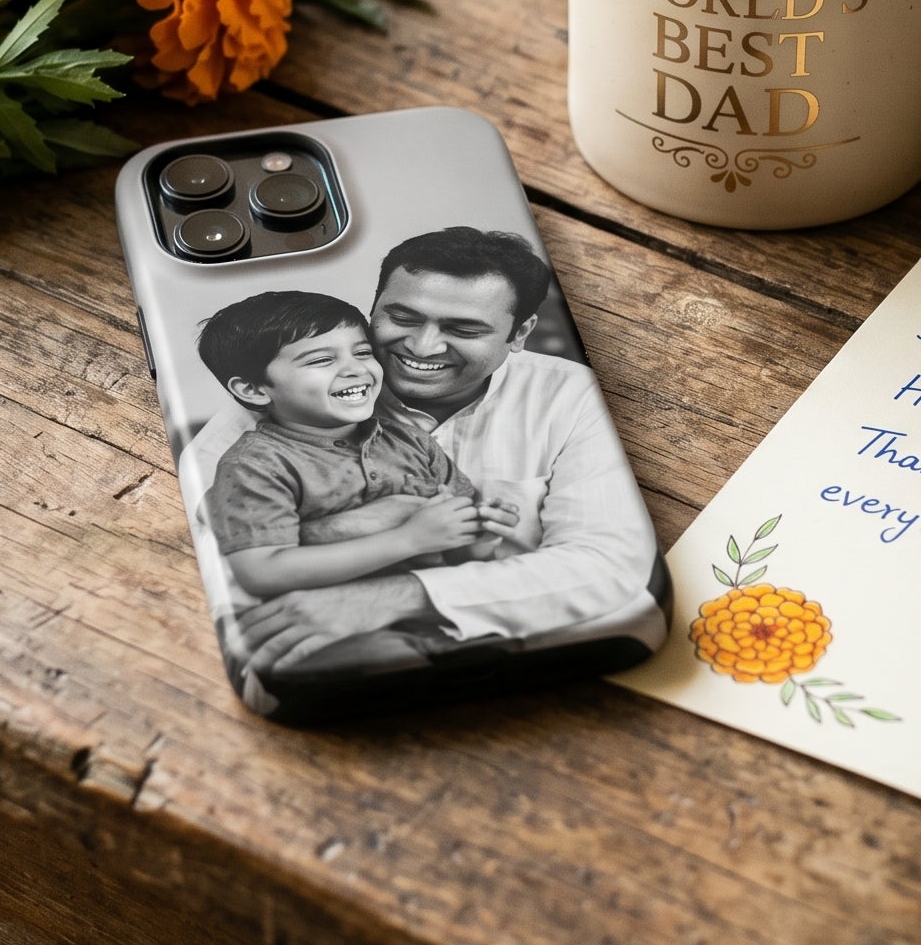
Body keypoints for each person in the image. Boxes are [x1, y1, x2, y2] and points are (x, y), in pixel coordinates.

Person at [186, 229, 666, 684]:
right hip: (323, 650)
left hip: (540, 651)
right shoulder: (284, 396)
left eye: (464, 328)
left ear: (519, 334)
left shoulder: (568, 395)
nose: (421, 347)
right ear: (373, 309)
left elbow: (608, 566)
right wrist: (380, 528)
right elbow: (209, 546)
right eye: (403, 318)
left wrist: (401, 588)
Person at [193, 290, 517, 603]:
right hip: (327, 621)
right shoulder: (255, 464)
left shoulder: (412, 442)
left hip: (437, 604)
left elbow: (460, 549)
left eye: (362, 353)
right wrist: (408, 539)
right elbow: (261, 572)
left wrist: (482, 531)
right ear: (253, 390)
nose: (356, 369)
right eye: (321, 360)